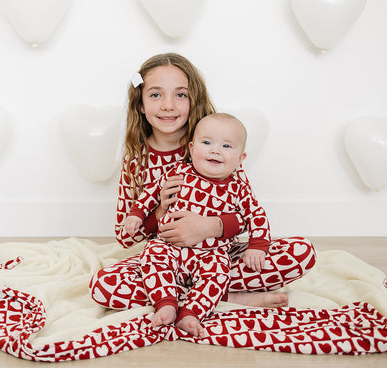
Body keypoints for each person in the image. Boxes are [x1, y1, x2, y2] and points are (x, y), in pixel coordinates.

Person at [89, 53, 316, 324]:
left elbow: (247, 214)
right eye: (155, 95)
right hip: (164, 260)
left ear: (193, 100)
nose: (168, 106)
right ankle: (225, 298)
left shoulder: (213, 145)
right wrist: (160, 210)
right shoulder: (135, 160)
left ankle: (193, 295)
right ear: (140, 104)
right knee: (104, 285)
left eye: (181, 95)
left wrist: (210, 227)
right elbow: (125, 238)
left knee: (301, 252)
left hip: (216, 256)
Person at [125, 113, 269, 337]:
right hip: (169, 245)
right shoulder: (179, 172)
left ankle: (191, 312)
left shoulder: (238, 187)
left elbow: (256, 214)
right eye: (207, 142)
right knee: (152, 255)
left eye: (227, 146)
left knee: (218, 273)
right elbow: (151, 193)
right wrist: (136, 214)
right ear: (192, 148)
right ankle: (166, 303)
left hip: (211, 253)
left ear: (241, 159)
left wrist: (257, 246)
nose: (215, 150)